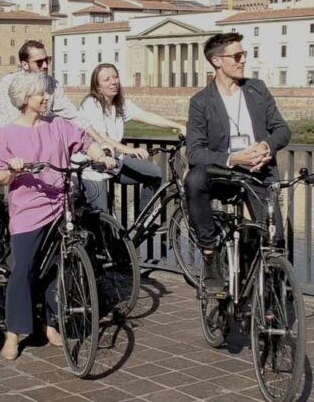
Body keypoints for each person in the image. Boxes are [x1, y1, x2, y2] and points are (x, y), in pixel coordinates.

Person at [0, 72, 116, 361]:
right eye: (40, 95)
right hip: (27, 210)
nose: (46, 98)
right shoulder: (9, 133)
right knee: (23, 269)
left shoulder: (58, 126)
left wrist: (102, 155)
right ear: (25, 99)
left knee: (57, 268)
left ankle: (50, 324)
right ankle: (13, 333)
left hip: (60, 205)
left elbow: (85, 142)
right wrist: (13, 170)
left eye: (46, 93)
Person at [184, 32, 291, 294]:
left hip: (258, 173)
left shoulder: (257, 89)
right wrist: (234, 158)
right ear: (217, 61)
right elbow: (195, 152)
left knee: (274, 239)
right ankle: (210, 252)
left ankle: (271, 306)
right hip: (224, 173)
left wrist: (266, 146)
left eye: (244, 55)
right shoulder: (200, 102)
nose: (243, 60)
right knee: (194, 179)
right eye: (237, 56)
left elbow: (281, 129)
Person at [78, 63, 187, 215]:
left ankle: (143, 219)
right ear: (97, 86)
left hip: (115, 163)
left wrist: (177, 125)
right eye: (107, 79)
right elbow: (102, 137)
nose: (113, 82)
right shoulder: (91, 104)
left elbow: (146, 116)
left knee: (155, 173)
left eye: (115, 77)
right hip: (93, 167)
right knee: (101, 217)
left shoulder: (120, 104)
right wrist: (130, 150)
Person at [0, 41, 122, 152]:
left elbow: (73, 115)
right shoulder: (9, 83)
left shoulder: (52, 84)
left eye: (47, 60)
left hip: (37, 144)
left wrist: (101, 141)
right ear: (24, 64)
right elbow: (12, 119)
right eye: (39, 62)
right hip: (7, 144)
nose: (45, 66)